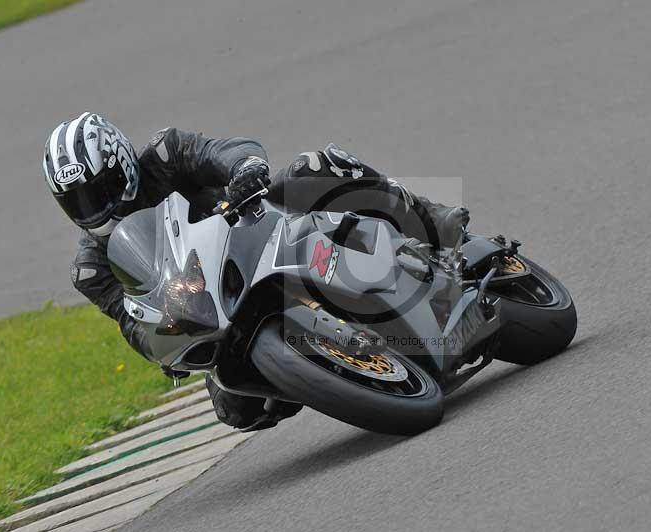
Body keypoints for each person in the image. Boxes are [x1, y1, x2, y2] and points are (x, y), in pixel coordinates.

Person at [42, 112, 469, 430]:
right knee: (237, 409)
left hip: (256, 228)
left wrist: (244, 170)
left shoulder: (165, 155)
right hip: (208, 307)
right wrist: (159, 342)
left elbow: (223, 151)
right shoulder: (91, 269)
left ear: (121, 164)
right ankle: (329, 370)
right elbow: (129, 320)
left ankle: (428, 217)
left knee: (313, 168)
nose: (94, 207)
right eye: (77, 201)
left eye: (97, 190)